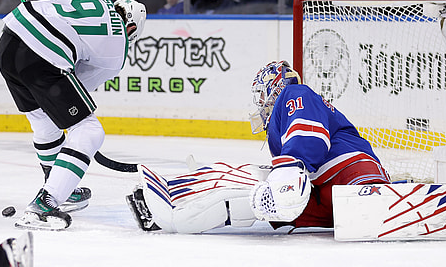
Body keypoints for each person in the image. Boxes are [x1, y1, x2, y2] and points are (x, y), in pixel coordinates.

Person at [0, 0, 147, 230]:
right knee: (88, 132)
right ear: (132, 28)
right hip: (41, 56)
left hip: (9, 39)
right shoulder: (118, 52)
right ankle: (44, 205)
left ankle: (61, 186)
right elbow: (74, 87)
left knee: (43, 122)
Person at [125, 60, 390, 233]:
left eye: (261, 96)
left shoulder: (295, 93)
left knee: (253, 177)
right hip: (325, 195)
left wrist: (288, 175)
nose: (260, 105)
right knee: (248, 190)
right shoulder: (284, 117)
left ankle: (381, 198)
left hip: (351, 174)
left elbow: (309, 138)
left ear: (273, 89)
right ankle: (168, 206)